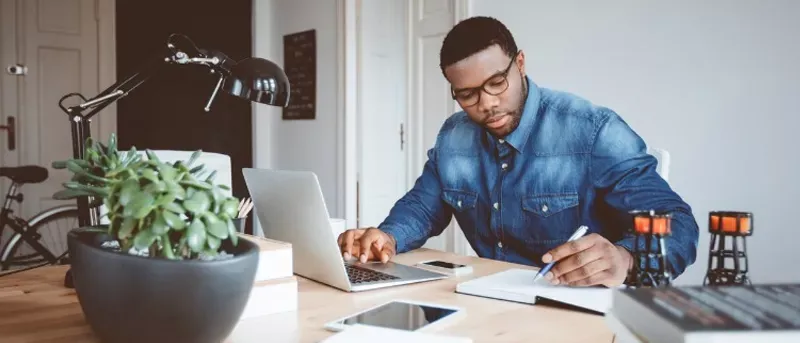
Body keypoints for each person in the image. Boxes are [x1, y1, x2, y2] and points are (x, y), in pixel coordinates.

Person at [337, 16, 699, 287]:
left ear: (520, 64)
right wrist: (388, 236)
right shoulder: (453, 137)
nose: (488, 104)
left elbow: (679, 223)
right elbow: (422, 207)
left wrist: (625, 258)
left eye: (497, 83)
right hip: (489, 303)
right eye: (467, 95)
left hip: (574, 307)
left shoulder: (592, 130)